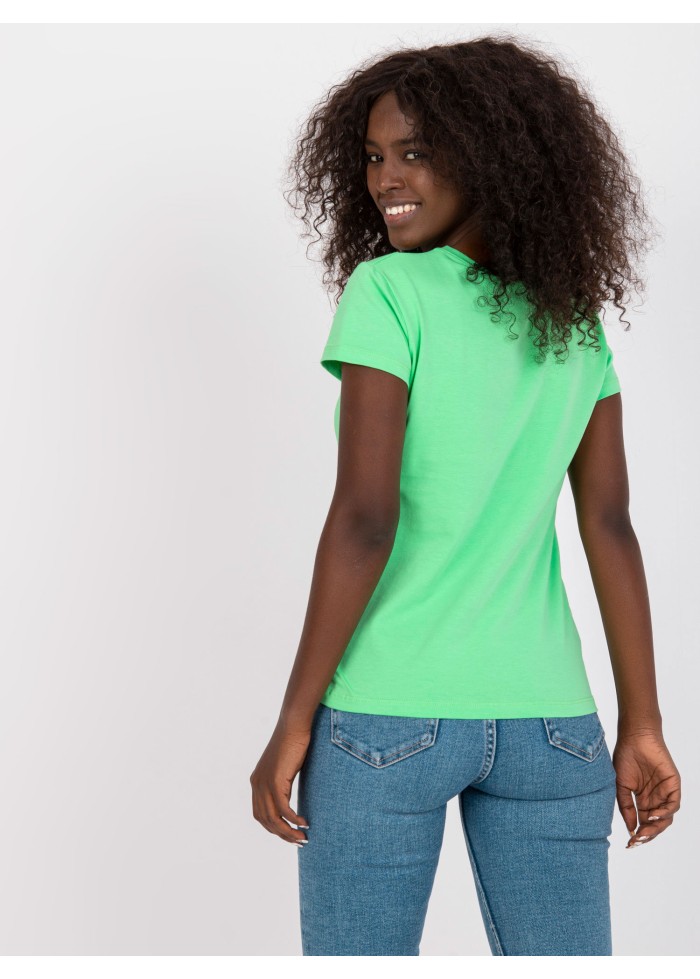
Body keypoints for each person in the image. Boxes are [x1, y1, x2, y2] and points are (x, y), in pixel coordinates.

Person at [249, 35, 681, 956]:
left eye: (414, 152)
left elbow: (365, 519)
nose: (385, 179)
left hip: (387, 716)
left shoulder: (390, 291)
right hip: (553, 726)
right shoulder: (572, 318)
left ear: (488, 157)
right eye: (374, 156)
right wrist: (641, 722)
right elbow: (609, 525)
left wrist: (293, 720)